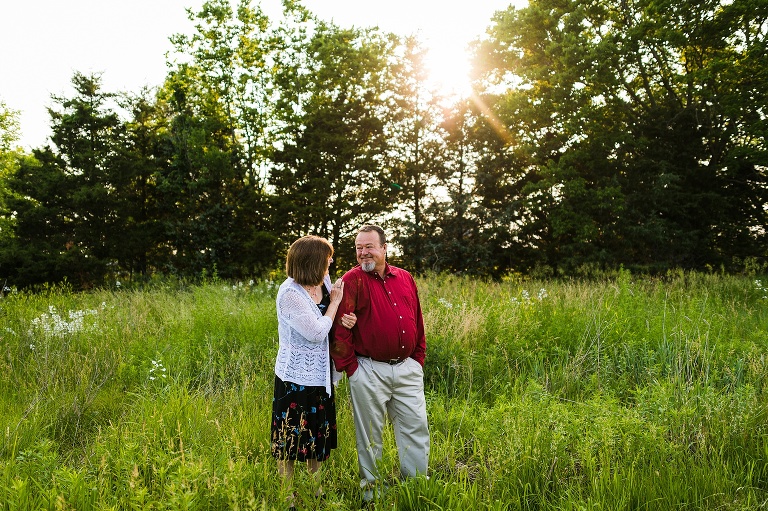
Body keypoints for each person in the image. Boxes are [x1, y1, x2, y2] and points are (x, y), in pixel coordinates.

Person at [331, 225, 429, 503]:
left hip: (407, 368)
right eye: (359, 248)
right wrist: (352, 369)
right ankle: (371, 495)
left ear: (385, 248)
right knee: (371, 437)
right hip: (368, 370)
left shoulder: (405, 278)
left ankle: (417, 489)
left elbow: (417, 318)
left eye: (369, 247)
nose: (363, 253)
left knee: (416, 428)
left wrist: (418, 359)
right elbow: (340, 328)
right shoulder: (351, 280)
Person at [271, 235, 356, 508]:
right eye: (327, 258)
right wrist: (334, 305)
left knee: (316, 437)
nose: (331, 262)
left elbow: (336, 314)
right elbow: (317, 332)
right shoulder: (290, 294)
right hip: (294, 379)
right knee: (290, 441)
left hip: (321, 377)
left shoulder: (324, 283)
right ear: (312, 261)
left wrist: (345, 315)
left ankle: (315, 491)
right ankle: (287, 497)